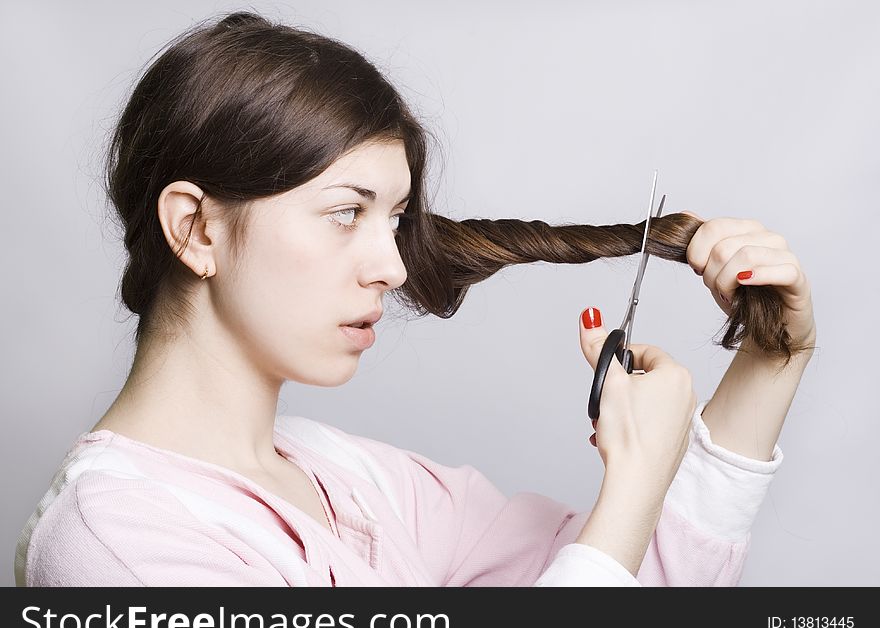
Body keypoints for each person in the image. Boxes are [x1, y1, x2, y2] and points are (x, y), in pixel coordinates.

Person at [15, 10, 815, 587]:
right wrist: (634, 480)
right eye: (344, 212)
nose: (393, 267)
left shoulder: (356, 481)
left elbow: (627, 574)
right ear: (196, 229)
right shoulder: (116, 546)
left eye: (394, 218)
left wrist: (771, 360)